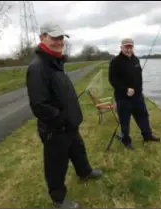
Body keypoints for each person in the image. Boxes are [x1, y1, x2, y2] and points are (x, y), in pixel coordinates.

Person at [26, 21, 102, 209]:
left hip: (69, 125)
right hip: (55, 129)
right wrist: (60, 119)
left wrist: (70, 118)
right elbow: (39, 105)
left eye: (61, 38)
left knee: (78, 150)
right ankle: (58, 199)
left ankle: (84, 172)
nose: (59, 42)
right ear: (42, 38)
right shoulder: (38, 68)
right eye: (54, 38)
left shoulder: (55, 63)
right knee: (56, 166)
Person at [108, 38, 160, 150]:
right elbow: (112, 80)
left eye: (130, 46)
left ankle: (147, 136)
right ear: (121, 47)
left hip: (138, 98)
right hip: (123, 98)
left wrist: (139, 90)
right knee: (125, 121)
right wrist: (125, 89)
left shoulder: (136, 60)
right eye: (126, 46)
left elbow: (139, 77)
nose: (128, 49)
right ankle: (126, 141)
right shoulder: (115, 61)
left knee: (143, 117)